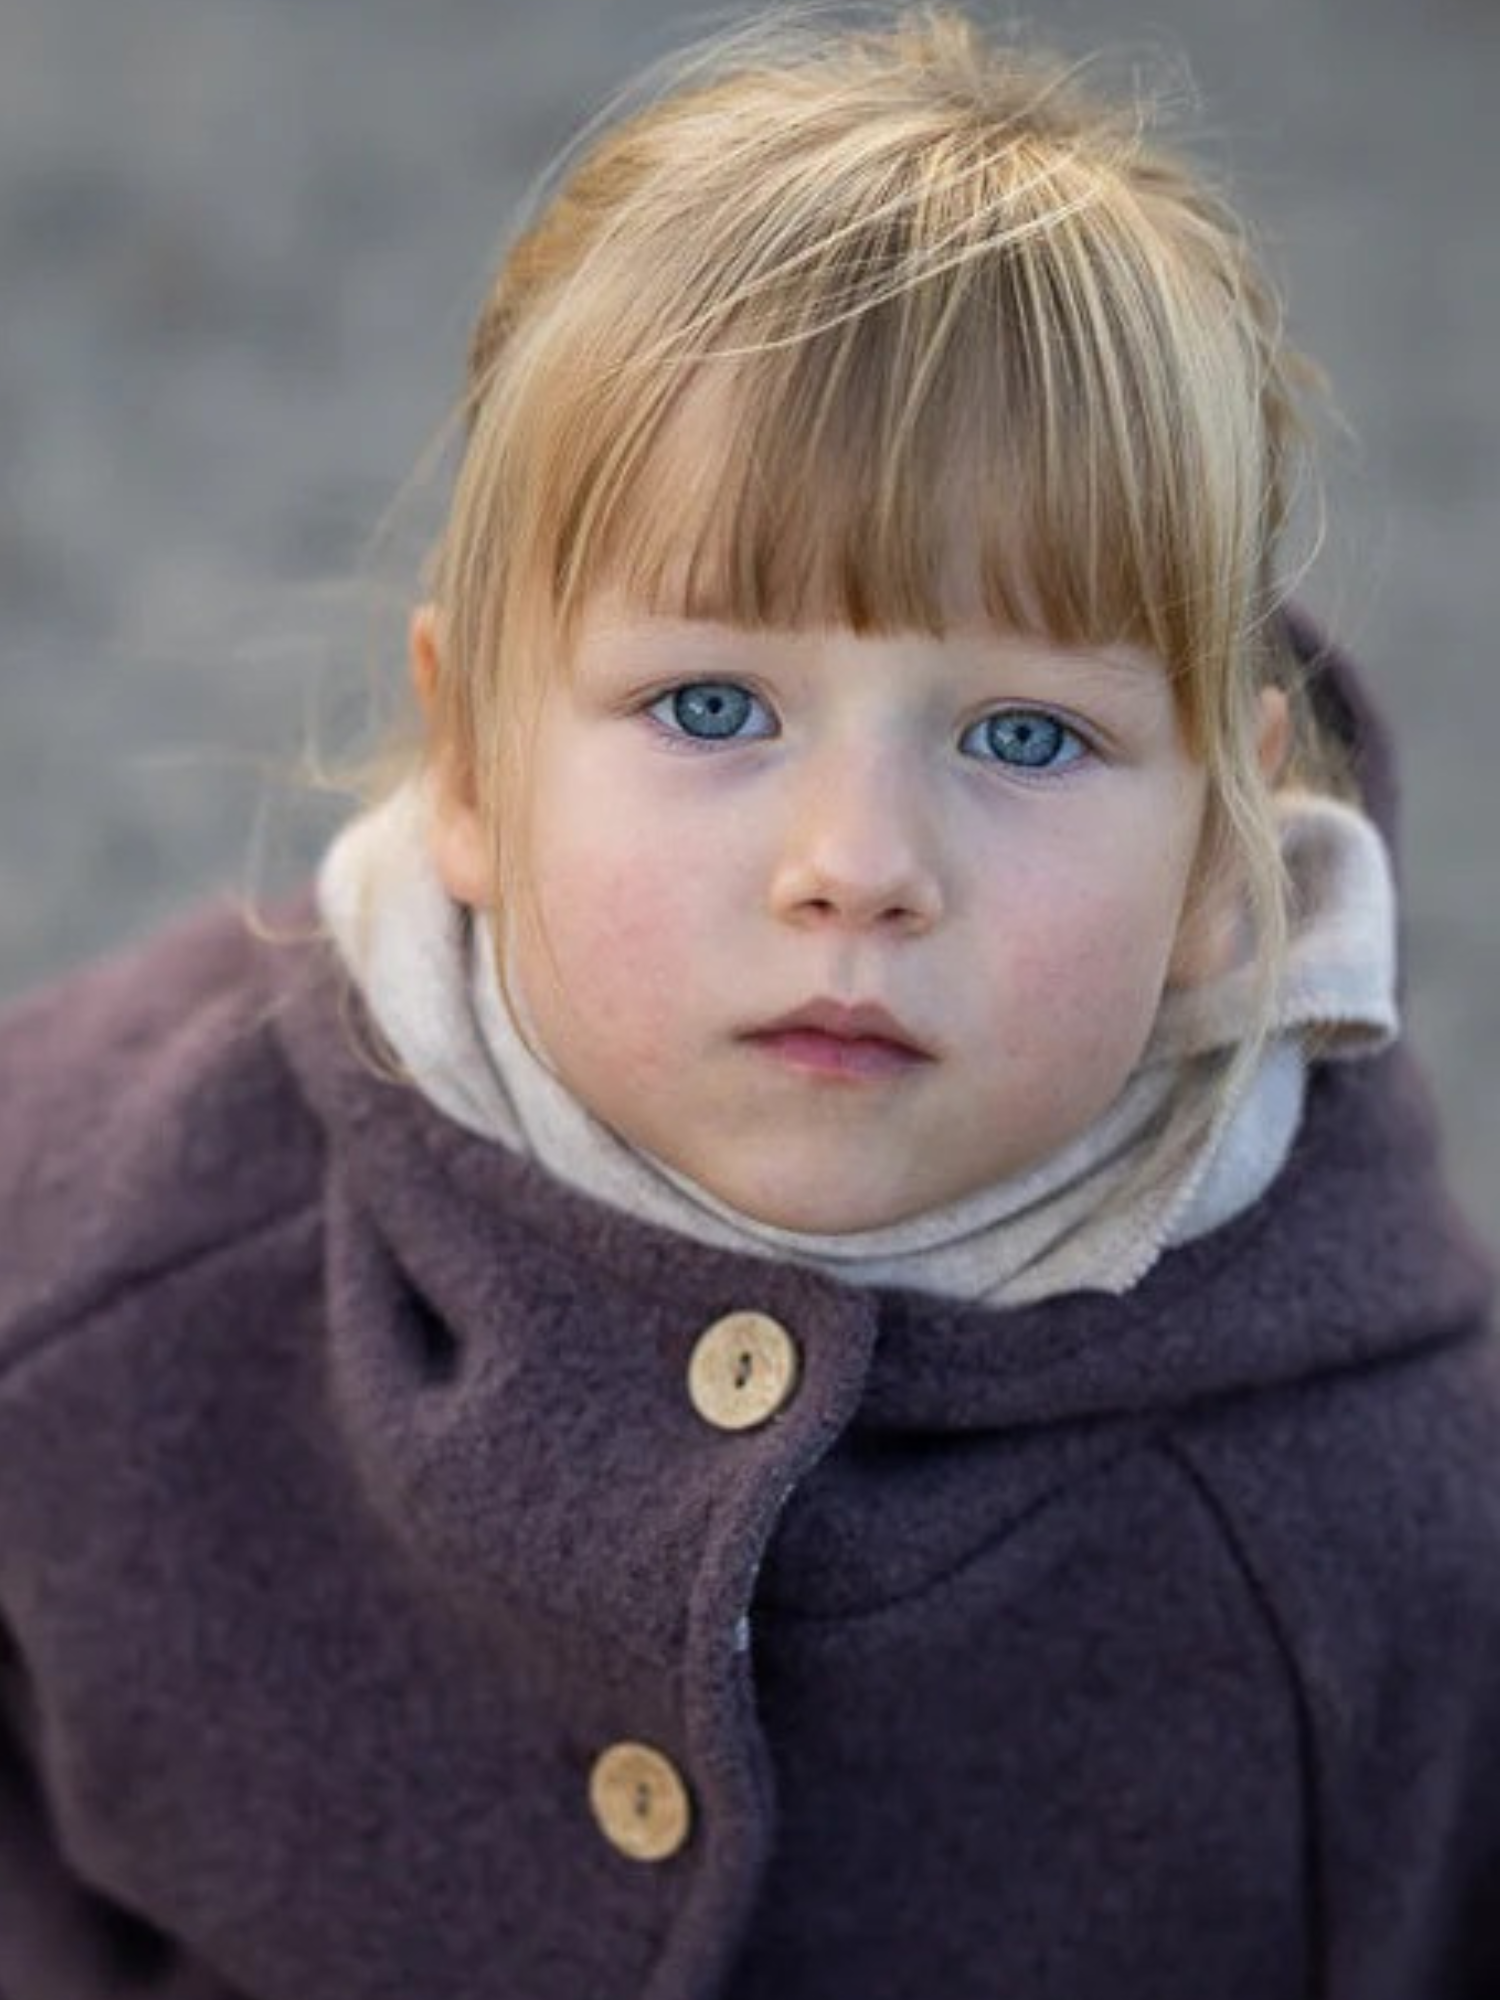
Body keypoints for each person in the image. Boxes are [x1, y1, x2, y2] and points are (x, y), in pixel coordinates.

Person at [1, 9, 1497, 1996]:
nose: (857, 858)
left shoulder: (1393, 1540)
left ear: (1224, 862)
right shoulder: (103, 1231)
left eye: (1027, 737)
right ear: (469, 768)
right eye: (714, 706)